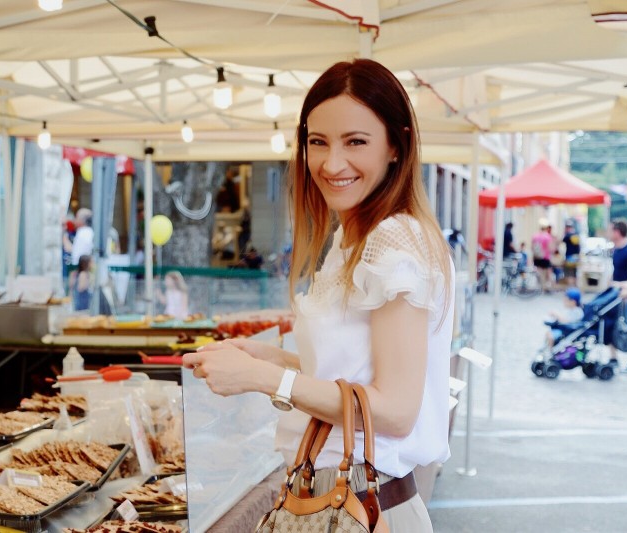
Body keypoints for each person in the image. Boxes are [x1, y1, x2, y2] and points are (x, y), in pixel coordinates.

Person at [182, 59, 453, 532]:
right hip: (339, 500)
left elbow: (392, 411)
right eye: (318, 142)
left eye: (356, 142)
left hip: (367, 509)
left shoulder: (395, 241)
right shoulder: (353, 240)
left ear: (397, 145)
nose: (332, 164)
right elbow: (351, 378)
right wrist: (265, 359)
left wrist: (267, 379)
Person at [608, 219, 627, 373]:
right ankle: (613, 358)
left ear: (617, 232)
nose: (608, 233)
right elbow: (616, 273)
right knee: (609, 324)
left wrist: (624, 289)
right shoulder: (616, 250)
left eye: (610, 230)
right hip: (615, 295)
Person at [532, 220, 554, 292]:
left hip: (537, 256)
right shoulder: (547, 236)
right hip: (545, 257)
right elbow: (550, 247)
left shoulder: (535, 236)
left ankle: (539, 285)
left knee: (539, 271)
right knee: (546, 272)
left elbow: (532, 246)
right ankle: (544, 286)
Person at [562, 221, 580, 287]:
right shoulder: (576, 235)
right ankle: (575, 286)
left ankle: (570, 287)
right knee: (574, 273)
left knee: (569, 273)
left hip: (569, 256)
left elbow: (562, 241)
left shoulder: (567, 236)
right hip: (576, 257)